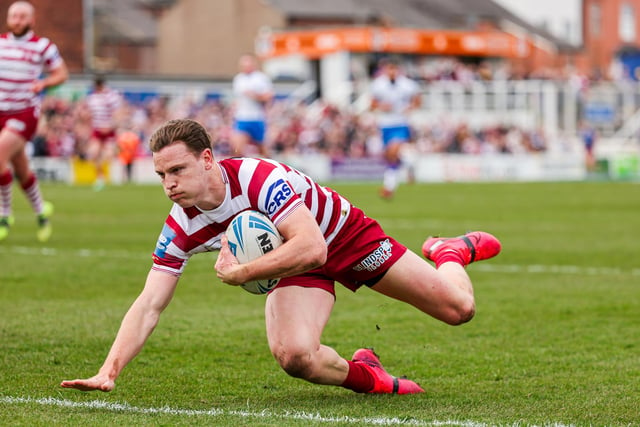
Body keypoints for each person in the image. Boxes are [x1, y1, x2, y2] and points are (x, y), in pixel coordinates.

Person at [61, 118, 501, 395]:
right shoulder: (181, 225)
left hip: (345, 239)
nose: (169, 184)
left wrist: (243, 273)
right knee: (295, 357)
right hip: (295, 266)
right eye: (160, 175)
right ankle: (371, 377)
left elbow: (314, 246)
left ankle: (449, 253)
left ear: (208, 159)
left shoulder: (256, 177)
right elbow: (149, 303)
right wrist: (109, 370)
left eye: (177, 170)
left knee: (459, 309)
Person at [0, 1, 68, 242]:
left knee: (0, 157)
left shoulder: (42, 46)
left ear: (31, 20)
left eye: (22, 16)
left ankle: (4, 215)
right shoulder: (1, 43)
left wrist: (44, 83)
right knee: (20, 168)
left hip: (23, 113)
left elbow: (62, 73)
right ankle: (41, 211)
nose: (17, 20)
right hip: (1, 112)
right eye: (13, 16)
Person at [370, 57, 421, 199]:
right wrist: (381, 106)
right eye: (389, 69)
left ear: (398, 70)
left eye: (394, 69)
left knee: (393, 151)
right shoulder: (378, 85)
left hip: (400, 123)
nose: (392, 72)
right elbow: (372, 104)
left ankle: (388, 187)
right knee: (390, 156)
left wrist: (410, 107)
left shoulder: (408, 85)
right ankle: (410, 164)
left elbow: (417, 100)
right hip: (385, 124)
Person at [230, 54, 274, 157]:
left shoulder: (261, 78)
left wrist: (253, 95)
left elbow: (268, 96)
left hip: (257, 117)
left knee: (263, 151)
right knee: (237, 149)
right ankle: (238, 171)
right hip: (242, 117)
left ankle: (271, 170)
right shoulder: (238, 79)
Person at [84, 76, 122, 190]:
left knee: (108, 155)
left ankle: (109, 176)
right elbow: (90, 115)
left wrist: (112, 126)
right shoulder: (92, 98)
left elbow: (118, 113)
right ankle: (99, 177)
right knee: (93, 153)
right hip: (97, 130)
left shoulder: (111, 96)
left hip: (109, 130)